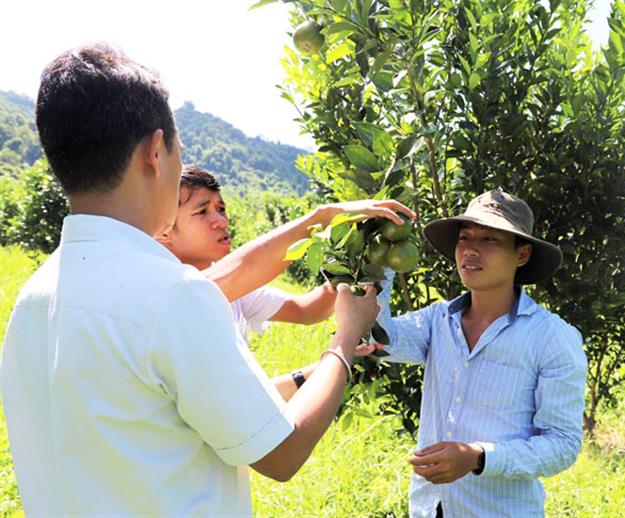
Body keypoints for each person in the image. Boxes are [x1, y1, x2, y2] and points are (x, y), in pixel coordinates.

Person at [0, 42, 412, 515]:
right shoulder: (173, 296)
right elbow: (281, 452)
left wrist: (319, 219)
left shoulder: (33, 299)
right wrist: (343, 341)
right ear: (156, 152)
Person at [368, 190, 587, 517]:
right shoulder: (437, 321)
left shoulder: (552, 338)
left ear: (522, 254)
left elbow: (563, 444)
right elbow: (380, 337)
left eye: (489, 239)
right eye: (464, 237)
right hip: (431, 508)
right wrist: (379, 258)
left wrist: (479, 457)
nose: (470, 249)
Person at [158, 164, 346, 400]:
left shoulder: (237, 287)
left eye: (221, 208)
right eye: (202, 212)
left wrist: (348, 267)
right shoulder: (164, 291)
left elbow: (305, 310)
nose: (221, 221)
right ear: (164, 229)